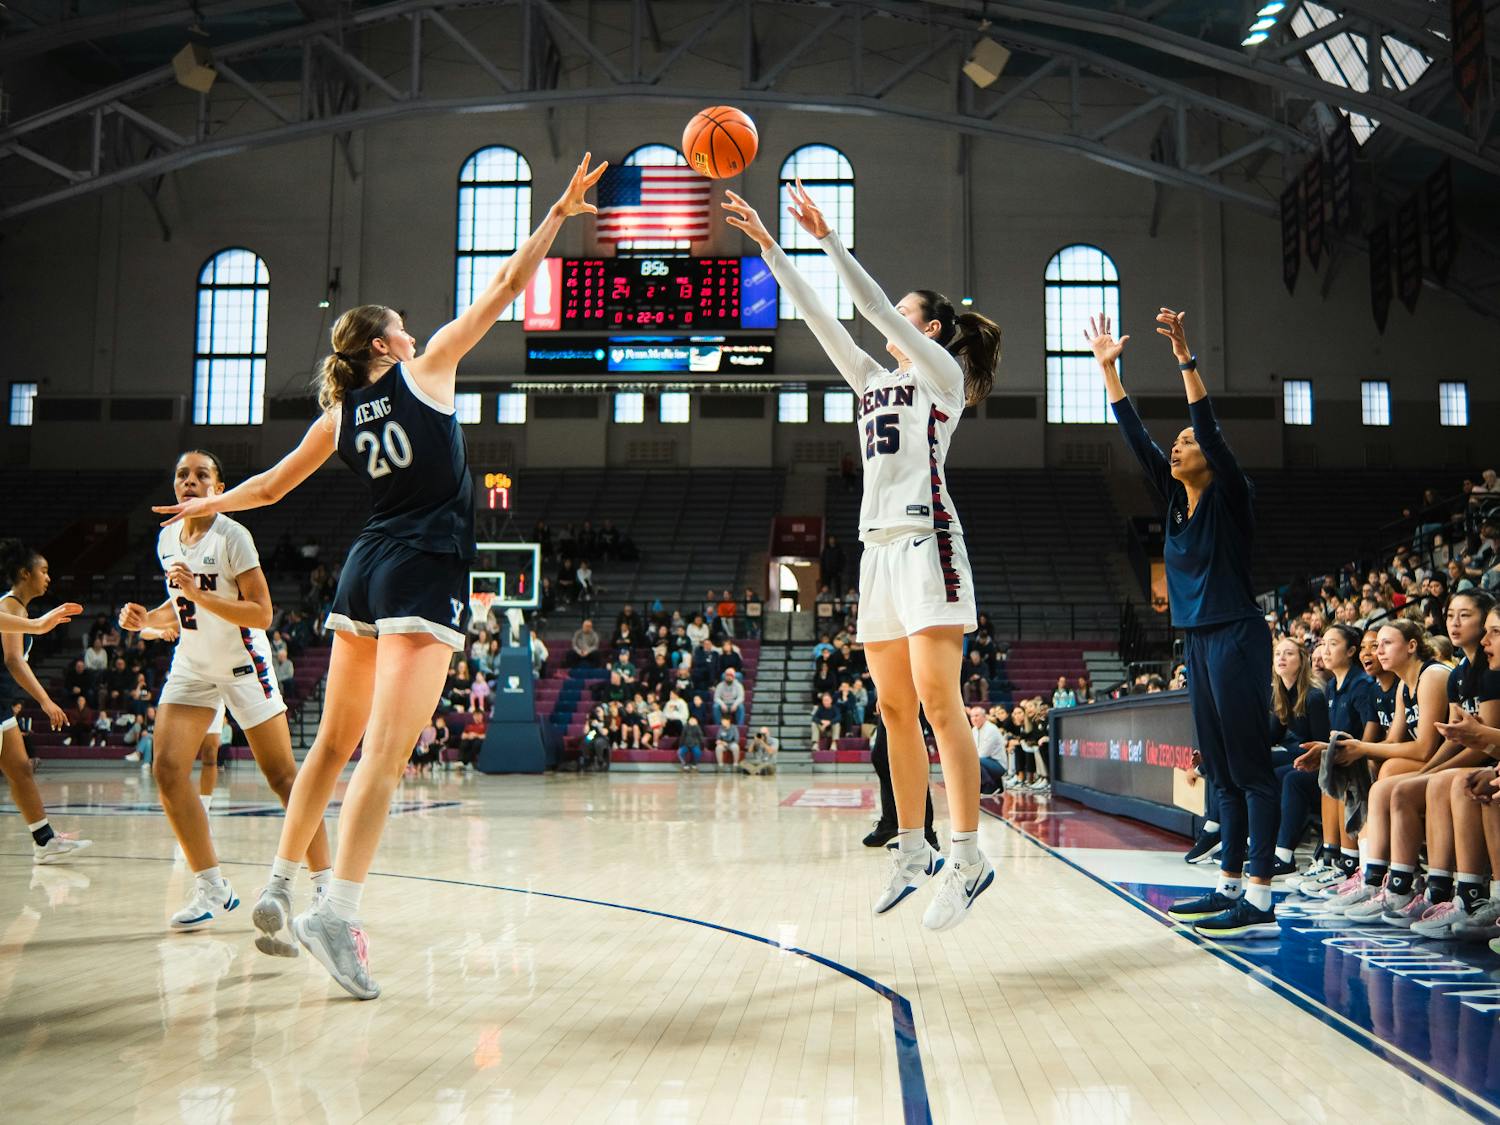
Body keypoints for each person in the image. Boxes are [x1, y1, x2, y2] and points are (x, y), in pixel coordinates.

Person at [152, 153, 607, 999]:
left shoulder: (340, 413)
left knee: (330, 746)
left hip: (363, 569)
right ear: (382, 343)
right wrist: (557, 214)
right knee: (385, 757)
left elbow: (274, 486)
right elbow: (507, 288)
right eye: (400, 324)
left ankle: (284, 885)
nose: (414, 328)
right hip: (423, 566)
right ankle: (338, 906)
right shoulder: (428, 368)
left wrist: (200, 507)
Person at [726, 181, 1003, 930]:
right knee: (892, 709)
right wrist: (772, 250)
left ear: (935, 328)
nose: (895, 325)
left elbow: (873, 308)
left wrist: (826, 238)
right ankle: (914, 849)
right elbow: (825, 323)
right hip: (877, 552)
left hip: (928, 542)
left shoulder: (942, 377)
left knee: (942, 705)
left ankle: (971, 855)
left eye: (912, 318)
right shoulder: (874, 382)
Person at [1086, 308, 1277, 939]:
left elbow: (1210, 428)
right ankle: (1227, 884)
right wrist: (1110, 375)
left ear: (1213, 461)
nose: (1179, 445)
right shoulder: (1172, 502)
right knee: (1219, 770)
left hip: (1237, 634)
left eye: (1188, 443)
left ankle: (1260, 896)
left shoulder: (1232, 496)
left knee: (1249, 769)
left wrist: (1185, 358)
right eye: (1178, 444)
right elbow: (1138, 440)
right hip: (1197, 640)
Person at [120, 450, 334, 935]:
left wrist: (197, 594)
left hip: (243, 665)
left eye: (202, 475)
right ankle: (212, 887)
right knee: (168, 770)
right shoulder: (167, 539)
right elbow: (179, 608)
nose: (190, 482)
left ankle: (325, 888)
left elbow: (261, 613)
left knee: (284, 778)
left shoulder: (233, 536)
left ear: (219, 487)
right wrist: (147, 620)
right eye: (182, 475)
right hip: (193, 664)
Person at [0, 542, 91, 863]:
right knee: (19, 770)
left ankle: (44, 841)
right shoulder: (10, 607)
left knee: (21, 770)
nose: (48, 577)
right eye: (44, 570)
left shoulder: (17, 609)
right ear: (25, 574)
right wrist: (45, 701)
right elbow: (13, 660)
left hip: (2, 704)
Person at [971, 705, 1007, 794]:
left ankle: (990, 785)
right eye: (972, 716)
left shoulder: (991, 729)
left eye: (977, 716)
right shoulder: (974, 730)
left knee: (975, 760)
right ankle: (991, 785)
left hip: (998, 765)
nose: (974, 719)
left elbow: (984, 753)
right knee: (972, 760)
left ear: (984, 717)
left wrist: (969, 760)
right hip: (986, 762)